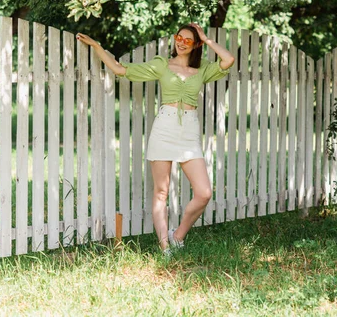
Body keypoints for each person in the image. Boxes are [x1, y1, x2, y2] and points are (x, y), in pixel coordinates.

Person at [76, 23, 235, 256]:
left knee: (204, 193)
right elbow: (120, 70)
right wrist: (96, 46)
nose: (180, 42)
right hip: (164, 129)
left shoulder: (203, 68)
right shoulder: (162, 65)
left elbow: (228, 60)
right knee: (161, 192)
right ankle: (165, 247)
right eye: (178, 37)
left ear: (196, 44)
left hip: (189, 133)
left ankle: (177, 236)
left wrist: (208, 40)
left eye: (187, 40)